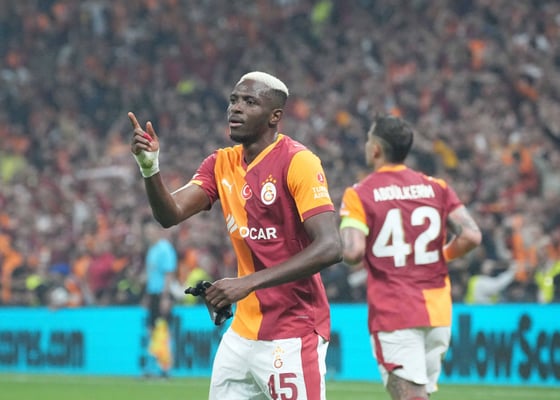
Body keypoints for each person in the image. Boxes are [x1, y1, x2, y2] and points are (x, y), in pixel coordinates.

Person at [129, 71, 342, 399]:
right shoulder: (220, 163)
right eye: (233, 100)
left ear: (275, 116)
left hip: (293, 330)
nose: (236, 108)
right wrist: (149, 167)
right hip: (242, 335)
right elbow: (169, 214)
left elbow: (330, 247)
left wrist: (247, 283)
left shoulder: (298, 161)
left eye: (249, 102)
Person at [339, 115, 482, 400]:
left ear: (376, 149)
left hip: (395, 310)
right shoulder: (437, 187)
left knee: (410, 396)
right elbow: (471, 236)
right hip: (438, 311)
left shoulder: (360, 194)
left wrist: (335, 243)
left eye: (368, 140)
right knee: (420, 394)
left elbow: (353, 253)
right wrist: (441, 255)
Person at [142, 221, 178, 378]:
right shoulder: (152, 250)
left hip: (162, 295)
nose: (148, 235)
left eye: (150, 232)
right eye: (146, 233)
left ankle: (165, 369)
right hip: (153, 294)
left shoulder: (165, 249)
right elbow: (151, 275)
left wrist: (165, 297)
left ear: (157, 231)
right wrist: (147, 296)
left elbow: (168, 274)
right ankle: (151, 368)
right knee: (151, 331)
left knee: (163, 331)